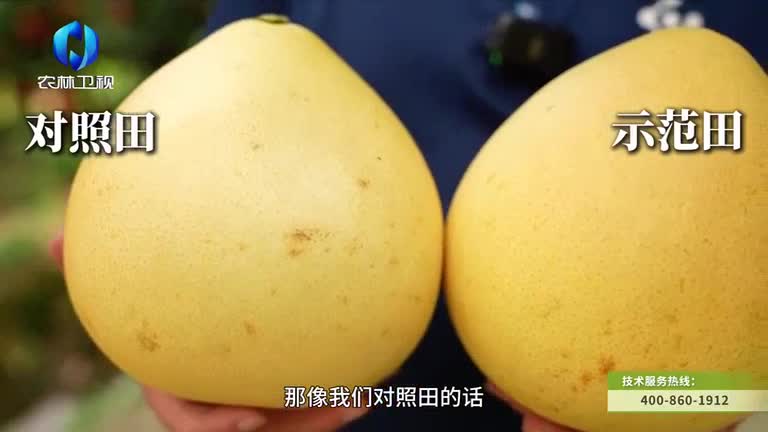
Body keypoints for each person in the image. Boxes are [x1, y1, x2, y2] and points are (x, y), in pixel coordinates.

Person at [52, 1, 766, 431]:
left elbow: (745, 375)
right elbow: (204, 131)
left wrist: (701, 401)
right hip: (340, 401)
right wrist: (168, 334)